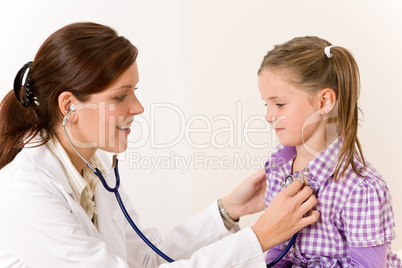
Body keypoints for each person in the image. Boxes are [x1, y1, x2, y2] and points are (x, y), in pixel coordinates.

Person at [0, 22, 319, 268]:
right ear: (69, 105)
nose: (137, 107)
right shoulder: (26, 194)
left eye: (134, 91)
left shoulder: (94, 171)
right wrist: (259, 237)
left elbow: (149, 257)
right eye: (120, 96)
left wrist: (228, 210)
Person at [258, 36, 402, 267]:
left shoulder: (360, 190)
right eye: (266, 104)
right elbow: (277, 250)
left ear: (324, 101)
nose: (268, 116)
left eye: (279, 104)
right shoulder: (278, 168)